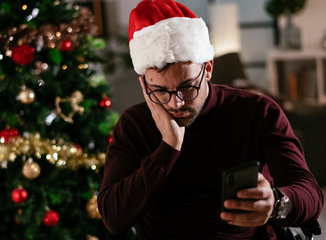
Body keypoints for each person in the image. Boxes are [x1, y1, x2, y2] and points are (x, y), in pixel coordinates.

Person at [97, 0, 324, 239]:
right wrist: (168, 148)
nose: (177, 103)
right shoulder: (135, 124)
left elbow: (310, 194)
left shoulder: (257, 111)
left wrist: (276, 203)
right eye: (160, 91)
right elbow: (113, 218)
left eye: (187, 87)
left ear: (208, 69)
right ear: (144, 84)